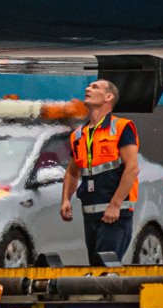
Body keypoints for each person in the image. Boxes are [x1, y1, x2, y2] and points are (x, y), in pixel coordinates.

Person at [60, 79, 140, 267]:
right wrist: (65, 199)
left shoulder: (121, 127)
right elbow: (72, 172)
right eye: (89, 86)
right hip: (90, 213)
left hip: (115, 214)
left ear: (108, 96)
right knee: (96, 269)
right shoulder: (79, 135)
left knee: (104, 269)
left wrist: (115, 205)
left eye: (95, 87)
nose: (88, 88)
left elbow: (132, 168)